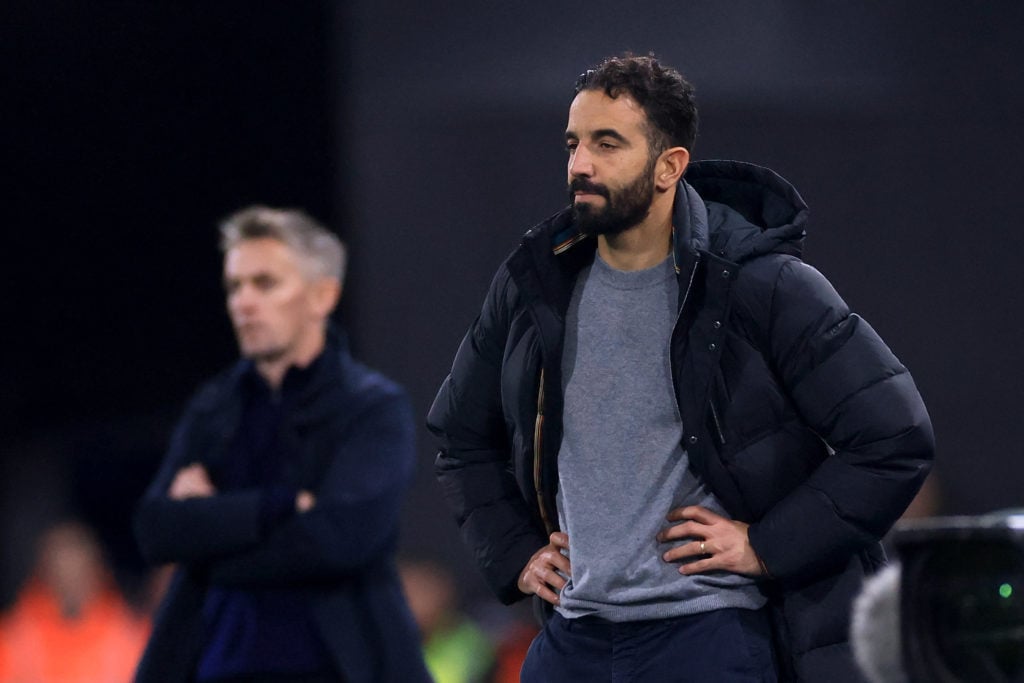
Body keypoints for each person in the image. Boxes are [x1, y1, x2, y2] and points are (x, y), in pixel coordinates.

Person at [426, 54, 934, 682]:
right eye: (574, 143)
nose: (579, 165)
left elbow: (895, 436)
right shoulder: (535, 282)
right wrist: (514, 552)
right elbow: (459, 435)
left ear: (670, 166)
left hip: (708, 636)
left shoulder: (759, 283)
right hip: (571, 642)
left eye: (607, 144)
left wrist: (765, 546)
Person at [133, 206, 431, 683]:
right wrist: (282, 505)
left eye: (265, 283)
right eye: (235, 286)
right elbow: (155, 530)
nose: (243, 303)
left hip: (335, 669)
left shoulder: (372, 407)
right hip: (212, 665)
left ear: (322, 295)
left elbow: (340, 541)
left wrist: (210, 532)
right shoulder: (212, 408)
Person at [0, 520, 149, 683]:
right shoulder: (13, 639)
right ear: (44, 574)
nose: (70, 584)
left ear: (98, 572)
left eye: (79, 572)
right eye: (60, 573)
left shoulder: (133, 636)